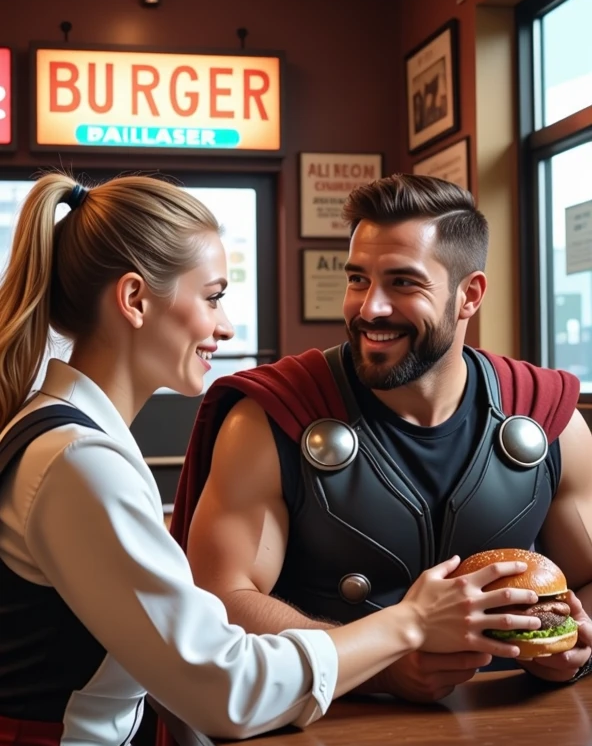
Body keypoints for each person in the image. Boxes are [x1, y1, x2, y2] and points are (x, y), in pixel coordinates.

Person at [0, 173, 539, 746]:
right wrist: (408, 624)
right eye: (213, 296)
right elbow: (222, 687)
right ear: (134, 300)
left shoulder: (67, 436)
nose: (225, 325)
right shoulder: (75, 462)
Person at [173, 173, 592, 706]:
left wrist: (576, 650)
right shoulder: (270, 420)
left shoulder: (548, 418)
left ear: (470, 295)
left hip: (514, 734)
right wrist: (382, 671)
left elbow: (586, 581)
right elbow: (219, 601)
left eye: (403, 282)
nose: (369, 308)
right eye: (357, 280)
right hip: (325, 740)